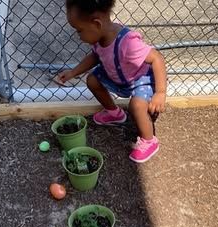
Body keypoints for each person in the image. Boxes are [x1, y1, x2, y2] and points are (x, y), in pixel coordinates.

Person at [57, 0, 167, 163]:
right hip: (118, 75)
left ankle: (149, 140)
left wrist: (160, 93)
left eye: (79, 30)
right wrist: (73, 72)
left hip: (140, 79)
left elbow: (156, 58)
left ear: (96, 23)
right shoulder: (99, 38)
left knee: (136, 105)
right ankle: (114, 114)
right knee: (92, 80)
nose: (78, 36)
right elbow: (95, 57)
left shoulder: (128, 43)